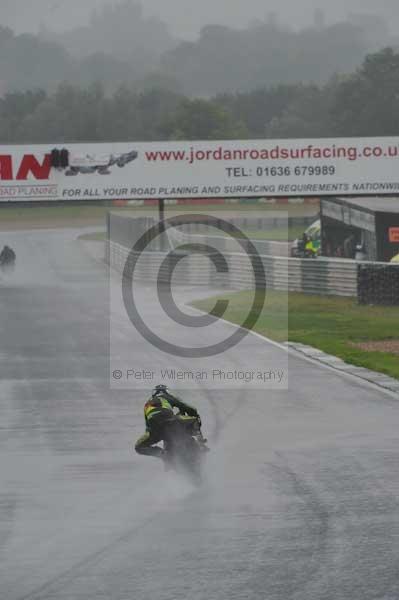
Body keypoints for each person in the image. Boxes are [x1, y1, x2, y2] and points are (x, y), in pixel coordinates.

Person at [135, 385, 205, 459]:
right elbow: (191, 409)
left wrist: (152, 435)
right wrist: (195, 418)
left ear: (154, 393)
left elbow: (147, 426)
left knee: (139, 447)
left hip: (155, 429)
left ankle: (163, 454)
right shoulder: (167, 397)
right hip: (170, 421)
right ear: (167, 392)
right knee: (194, 420)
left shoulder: (147, 404)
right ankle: (200, 442)